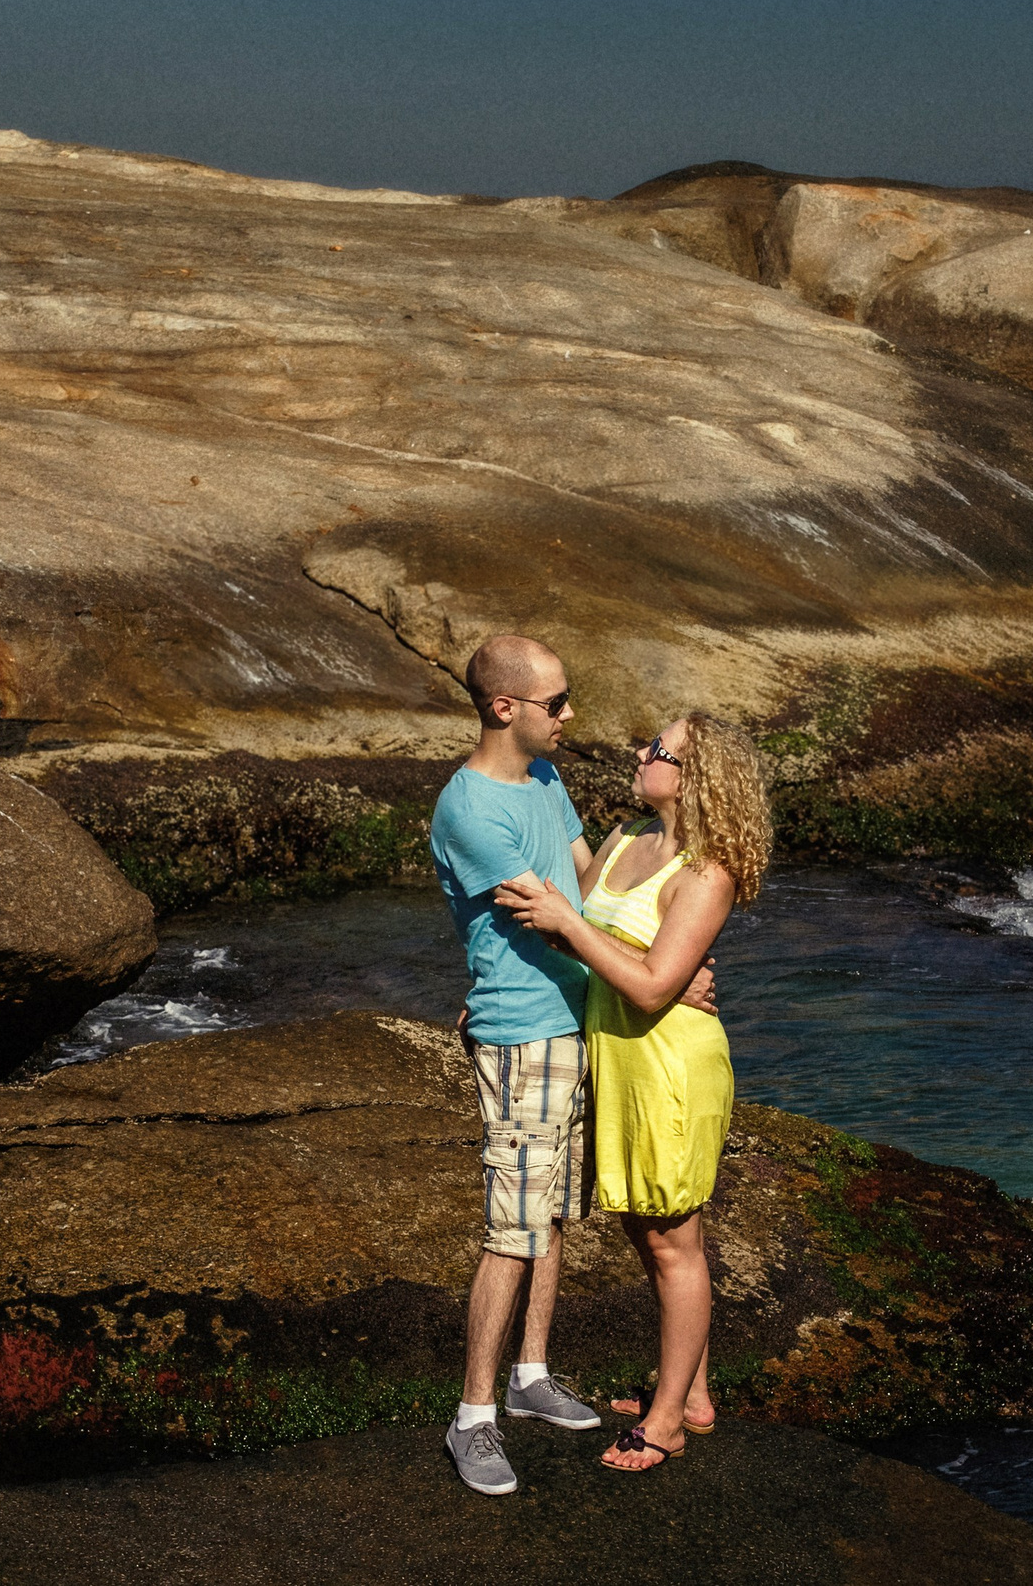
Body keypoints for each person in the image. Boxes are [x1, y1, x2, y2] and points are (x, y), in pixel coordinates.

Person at [428, 634, 716, 1496]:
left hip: (577, 1019)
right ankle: (473, 1415)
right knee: (512, 1226)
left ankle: (532, 1374)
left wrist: (669, 958)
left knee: (551, 1209)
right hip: (525, 1031)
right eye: (556, 702)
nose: (571, 715)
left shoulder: (546, 781)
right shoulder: (471, 810)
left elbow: (584, 891)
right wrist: (663, 981)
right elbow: (547, 921)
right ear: (503, 707)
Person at [494, 711, 771, 1473]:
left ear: (694, 776)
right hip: (618, 1061)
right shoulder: (621, 838)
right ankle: (694, 1393)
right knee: (647, 1231)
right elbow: (570, 934)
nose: (641, 751)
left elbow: (647, 985)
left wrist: (659, 972)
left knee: (671, 1240)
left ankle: (668, 1422)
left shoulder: (708, 869)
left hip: (670, 1069)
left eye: (659, 748)